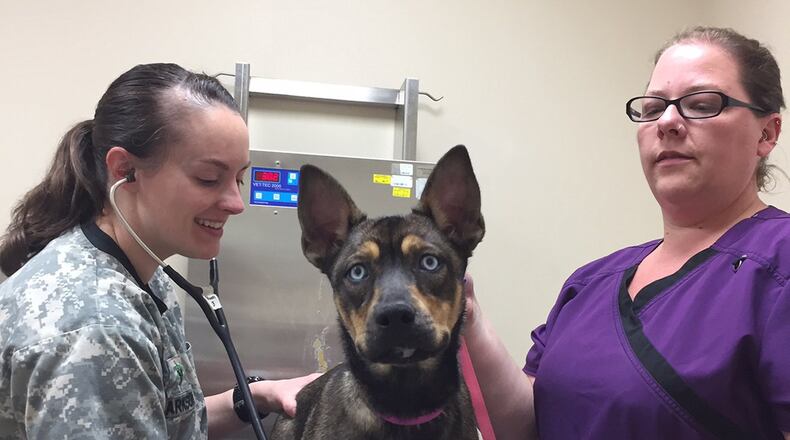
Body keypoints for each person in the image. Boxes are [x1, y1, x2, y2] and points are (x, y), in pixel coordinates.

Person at [463, 26, 790, 439]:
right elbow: (529, 424)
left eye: (702, 104)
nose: (668, 121)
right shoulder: (591, 283)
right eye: (653, 108)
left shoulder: (778, 263)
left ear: (767, 133)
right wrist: (468, 313)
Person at [0, 63, 318, 439]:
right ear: (125, 170)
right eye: (209, 178)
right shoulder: (97, 328)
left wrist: (259, 396)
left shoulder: (145, 275)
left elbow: (165, 418)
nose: (237, 202)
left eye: (239, 178)